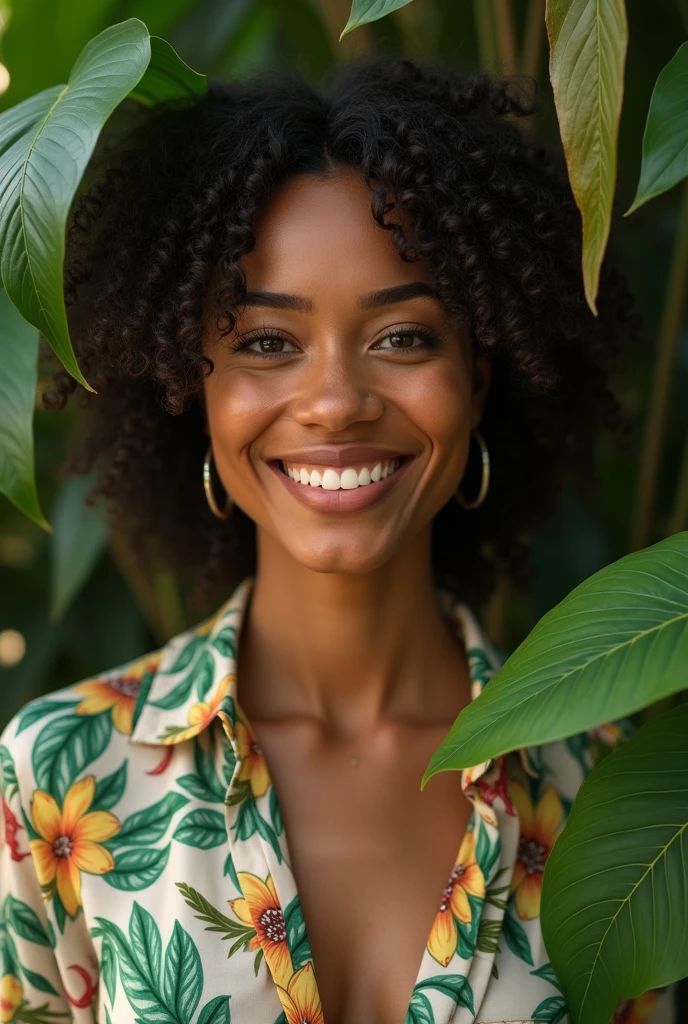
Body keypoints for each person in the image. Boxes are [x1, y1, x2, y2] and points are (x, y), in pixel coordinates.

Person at [0, 55, 674, 1024]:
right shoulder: (58, 777)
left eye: (402, 336)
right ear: (196, 390)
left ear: (479, 375)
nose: (334, 403)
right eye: (266, 342)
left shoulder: (616, 788)